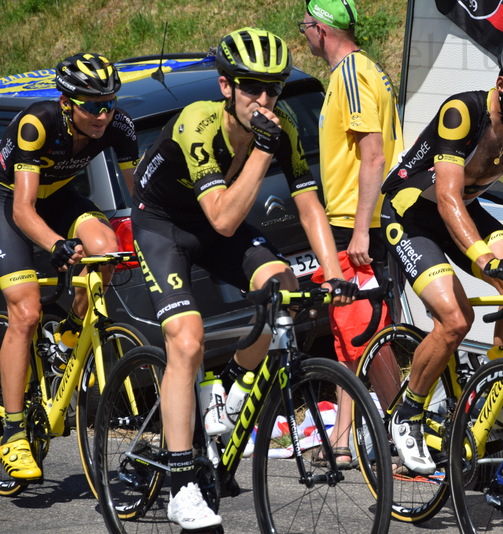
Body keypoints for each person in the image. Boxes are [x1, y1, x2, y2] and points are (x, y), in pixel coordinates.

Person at [131, 27, 356, 529]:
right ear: (225, 86)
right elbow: (225, 220)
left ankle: (231, 391)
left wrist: (337, 273)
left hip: (215, 222)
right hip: (165, 225)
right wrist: (260, 149)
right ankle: (181, 486)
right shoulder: (197, 124)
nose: (265, 99)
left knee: (287, 290)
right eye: (252, 87)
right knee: (186, 344)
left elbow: (308, 202)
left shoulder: (286, 122)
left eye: (273, 88)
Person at [381, 32, 503, 474]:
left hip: (466, 209)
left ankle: (490, 391)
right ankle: (408, 412)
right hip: (411, 214)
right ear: (502, 85)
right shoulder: (462, 111)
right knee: (455, 319)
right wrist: (485, 260)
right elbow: (446, 197)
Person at [0, 53, 138, 481]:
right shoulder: (36, 124)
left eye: (110, 103)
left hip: (58, 198)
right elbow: (23, 209)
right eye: (93, 105)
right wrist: (57, 246)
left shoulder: (119, 125)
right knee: (25, 311)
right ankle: (12, 435)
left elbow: (141, 200)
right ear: (66, 102)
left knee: (106, 247)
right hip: (8, 205)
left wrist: (155, 236)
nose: (103, 114)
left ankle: (71, 334)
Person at [300, 0, 404, 468]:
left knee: (366, 335)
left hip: (354, 225)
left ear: (321, 29)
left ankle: (408, 434)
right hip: (354, 222)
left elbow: (375, 155)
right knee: (350, 336)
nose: (303, 35)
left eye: (305, 27)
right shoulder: (368, 71)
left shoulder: (350, 75)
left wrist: (361, 229)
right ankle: (342, 442)